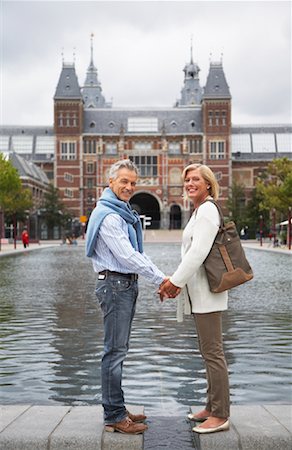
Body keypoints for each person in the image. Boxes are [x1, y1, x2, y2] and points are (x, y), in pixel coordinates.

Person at [86, 159, 166, 435]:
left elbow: (134, 256)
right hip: (115, 285)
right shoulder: (109, 216)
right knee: (114, 352)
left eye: (133, 183)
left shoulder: (120, 212)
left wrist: (157, 276)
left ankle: (116, 408)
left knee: (118, 350)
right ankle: (114, 416)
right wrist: (163, 279)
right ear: (111, 182)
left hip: (123, 285)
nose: (129, 187)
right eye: (124, 181)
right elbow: (128, 256)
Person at [159, 163, 230, 435]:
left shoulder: (208, 210)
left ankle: (221, 414)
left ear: (208, 184)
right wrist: (174, 280)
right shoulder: (200, 210)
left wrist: (173, 283)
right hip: (200, 293)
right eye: (186, 179)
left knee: (213, 354)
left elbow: (197, 254)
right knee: (208, 352)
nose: (189, 183)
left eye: (196, 179)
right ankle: (212, 407)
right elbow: (192, 255)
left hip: (208, 294)